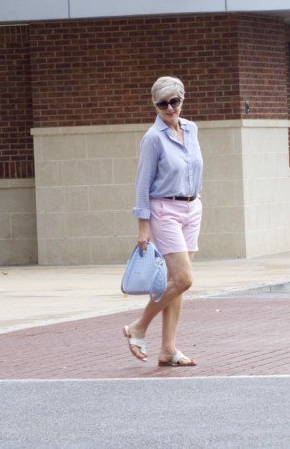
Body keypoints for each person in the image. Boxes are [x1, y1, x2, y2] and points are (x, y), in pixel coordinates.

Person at [122, 76, 203, 367]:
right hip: (164, 210)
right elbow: (142, 184)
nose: (170, 108)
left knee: (176, 283)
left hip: (191, 208)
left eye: (175, 102)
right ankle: (139, 326)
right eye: (163, 104)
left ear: (182, 99)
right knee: (184, 279)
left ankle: (168, 349)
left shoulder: (191, 129)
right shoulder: (153, 138)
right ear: (155, 105)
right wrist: (143, 225)